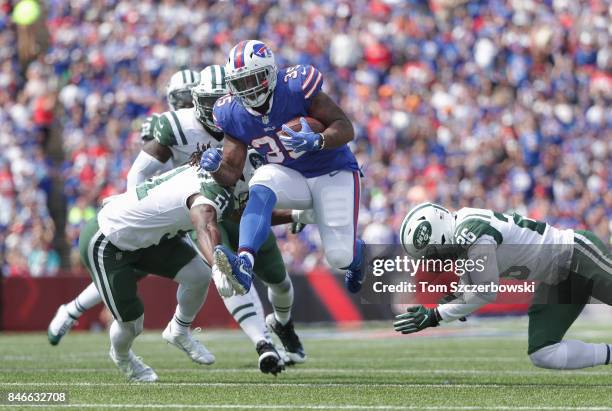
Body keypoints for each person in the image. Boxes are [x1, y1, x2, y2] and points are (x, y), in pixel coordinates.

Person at [199, 40, 365, 298]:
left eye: (255, 79)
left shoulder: (296, 86)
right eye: (241, 82)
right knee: (262, 179)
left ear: (270, 73)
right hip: (292, 176)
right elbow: (231, 173)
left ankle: (356, 255)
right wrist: (215, 167)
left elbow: (345, 127)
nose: (250, 88)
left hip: (332, 172)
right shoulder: (232, 112)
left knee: (339, 257)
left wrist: (319, 140)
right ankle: (244, 263)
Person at [396, 202, 612, 370]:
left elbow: (485, 291)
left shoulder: (470, 230)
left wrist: (436, 316)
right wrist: (452, 302)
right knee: (544, 352)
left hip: (576, 254)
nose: (434, 261)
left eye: (431, 254)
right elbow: (468, 290)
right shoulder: (462, 240)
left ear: (438, 232)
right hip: (557, 280)